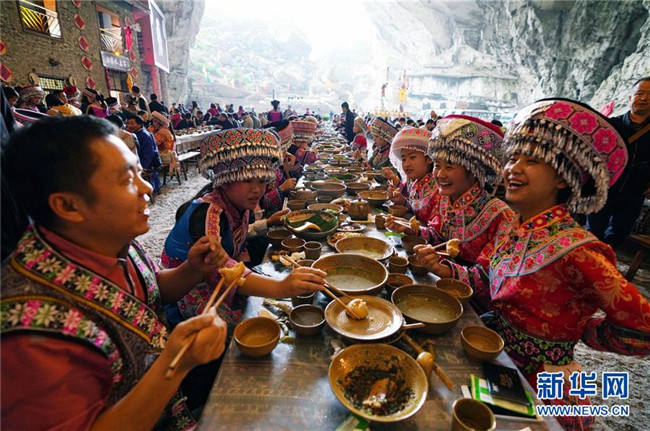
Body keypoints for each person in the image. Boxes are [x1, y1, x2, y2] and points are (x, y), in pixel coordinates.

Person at [1, 115, 229, 429]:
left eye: (139, 172)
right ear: (68, 206)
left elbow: (151, 291)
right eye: (126, 180)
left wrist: (192, 269)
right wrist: (175, 366)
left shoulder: (110, 238)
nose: (146, 187)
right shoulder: (28, 332)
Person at [464, 99, 649, 430]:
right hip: (494, 352)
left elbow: (642, 327)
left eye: (532, 160)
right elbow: (486, 276)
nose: (513, 168)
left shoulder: (578, 250)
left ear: (563, 178)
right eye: (513, 158)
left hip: (543, 382)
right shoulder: (512, 226)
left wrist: (579, 331)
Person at [161, 128, 327, 329]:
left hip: (223, 280)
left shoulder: (240, 204)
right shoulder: (208, 213)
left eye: (262, 181)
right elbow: (221, 270)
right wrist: (282, 287)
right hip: (189, 290)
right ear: (225, 180)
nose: (257, 189)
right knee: (240, 327)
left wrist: (267, 224)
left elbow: (238, 237)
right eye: (247, 179)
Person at [392, 117, 514, 290]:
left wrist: (445, 270)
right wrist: (413, 230)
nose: (440, 174)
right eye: (437, 165)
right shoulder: (446, 199)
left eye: (449, 167)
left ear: (473, 170)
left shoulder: (501, 216)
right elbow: (438, 235)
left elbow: (491, 277)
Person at [587, 77, 650, 248]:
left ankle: (605, 260)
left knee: (619, 234)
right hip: (605, 187)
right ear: (630, 98)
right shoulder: (610, 126)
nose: (644, 98)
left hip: (635, 191)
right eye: (639, 93)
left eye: (649, 94)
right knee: (592, 233)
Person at [382, 127, 437, 225]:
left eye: (412, 157)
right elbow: (413, 210)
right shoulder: (413, 182)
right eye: (403, 159)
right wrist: (402, 201)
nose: (406, 164)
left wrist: (413, 228)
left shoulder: (438, 189)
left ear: (429, 158)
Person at [126, 115, 161, 194]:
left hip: (150, 163)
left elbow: (148, 154)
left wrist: (143, 167)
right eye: (128, 123)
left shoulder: (144, 135)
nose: (129, 126)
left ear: (139, 125)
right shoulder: (134, 134)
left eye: (132, 123)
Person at [151, 111, 179, 175]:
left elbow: (154, 144)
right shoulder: (166, 129)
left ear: (157, 122)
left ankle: (151, 174)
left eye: (154, 122)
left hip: (165, 155)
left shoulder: (162, 132)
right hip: (170, 154)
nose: (153, 124)